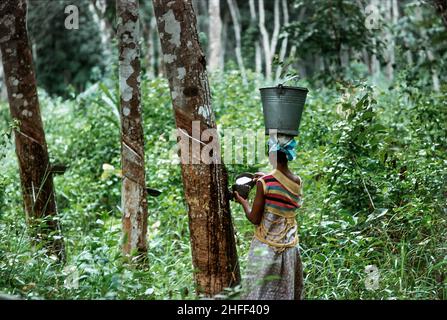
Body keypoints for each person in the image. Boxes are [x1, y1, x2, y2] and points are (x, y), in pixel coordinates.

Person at [234, 134, 304, 300]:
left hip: (266, 250)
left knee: (259, 296)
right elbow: (280, 186)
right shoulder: (297, 181)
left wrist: (243, 202)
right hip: (290, 250)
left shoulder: (264, 183)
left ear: (272, 155)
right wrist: (265, 176)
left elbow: (254, 218)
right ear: (288, 155)